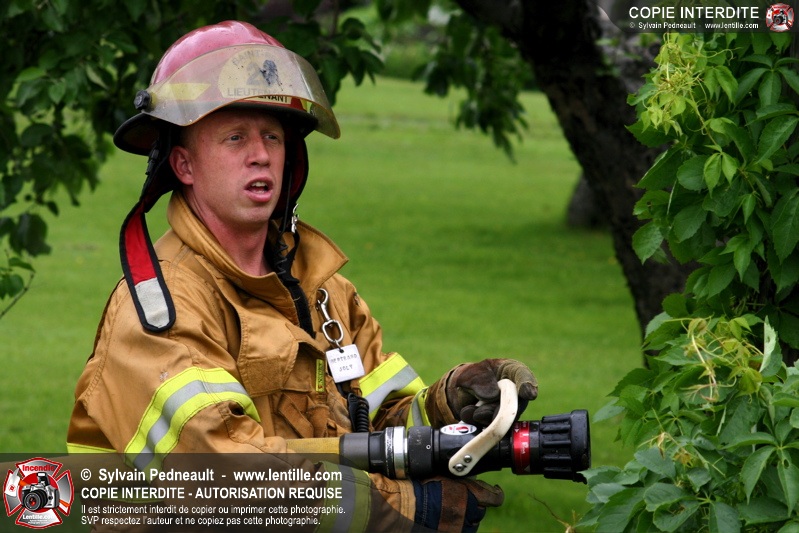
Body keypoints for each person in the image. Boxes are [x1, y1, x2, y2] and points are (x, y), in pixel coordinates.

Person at [67, 20, 538, 532]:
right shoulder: (159, 312)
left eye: (272, 135)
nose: (260, 154)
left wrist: (451, 405)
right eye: (234, 137)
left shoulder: (323, 290)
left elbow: (379, 424)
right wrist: (404, 509)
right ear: (184, 165)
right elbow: (227, 479)